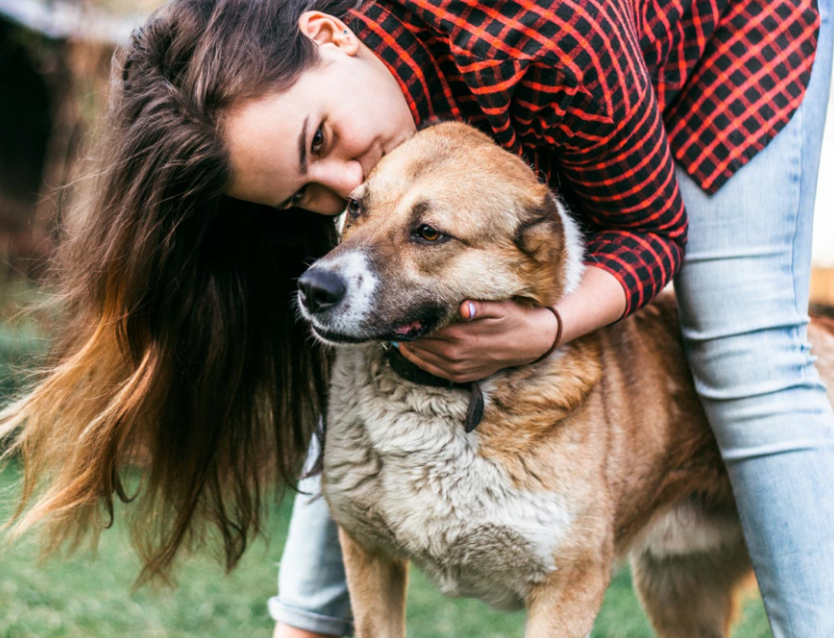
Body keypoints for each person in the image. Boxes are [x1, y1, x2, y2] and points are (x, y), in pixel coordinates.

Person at [0, 0, 831, 636]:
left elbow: (651, 231)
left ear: (331, 33)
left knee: (741, 337)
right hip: (580, 92)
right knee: (373, 349)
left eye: (322, 136)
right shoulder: (351, 118)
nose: (340, 179)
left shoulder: (545, 35)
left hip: (726, 47)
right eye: (307, 193)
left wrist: (546, 327)